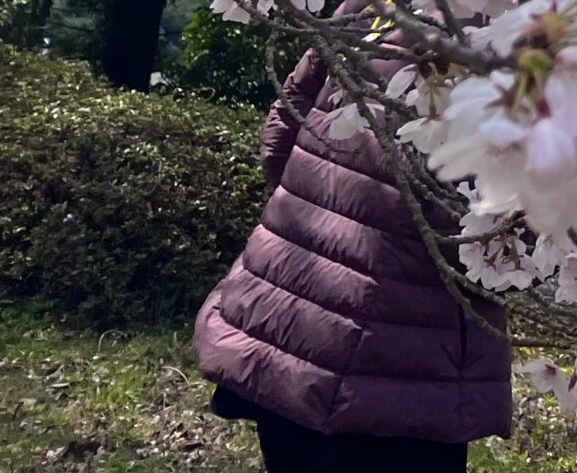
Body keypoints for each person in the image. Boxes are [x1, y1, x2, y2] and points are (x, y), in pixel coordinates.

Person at [198, 45, 514, 470]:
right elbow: (503, 259)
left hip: (290, 323)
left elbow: (277, 148)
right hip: (405, 371)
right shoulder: (517, 61)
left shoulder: (362, 13)